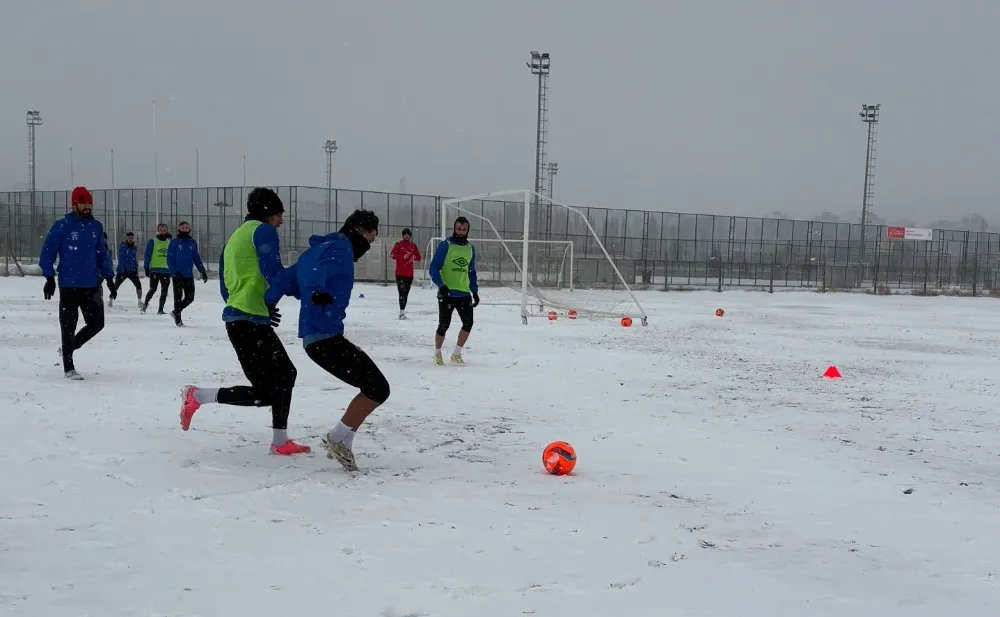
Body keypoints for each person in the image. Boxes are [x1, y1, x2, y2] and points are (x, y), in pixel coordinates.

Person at [177, 188, 310, 456]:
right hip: (249, 322)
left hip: (240, 319)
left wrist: (259, 307)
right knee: (282, 378)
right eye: (279, 215)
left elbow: (226, 288)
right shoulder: (263, 232)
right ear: (268, 214)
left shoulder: (234, 239)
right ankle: (278, 440)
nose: (280, 222)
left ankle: (199, 396)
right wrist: (303, 285)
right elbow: (274, 273)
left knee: (269, 389)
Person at [266, 209, 389, 471]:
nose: (370, 244)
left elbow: (286, 279)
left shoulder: (318, 249)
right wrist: (316, 291)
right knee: (378, 388)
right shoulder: (340, 248)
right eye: (371, 237)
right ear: (358, 231)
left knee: (373, 386)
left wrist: (269, 302)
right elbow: (313, 275)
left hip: (320, 339)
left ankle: (344, 440)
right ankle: (337, 438)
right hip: (324, 339)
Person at [39, 186, 116, 380]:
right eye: (83, 202)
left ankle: (71, 346)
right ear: (74, 204)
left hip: (91, 284)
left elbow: (101, 254)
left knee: (97, 323)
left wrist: (109, 277)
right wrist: (49, 277)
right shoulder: (62, 226)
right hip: (69, 284)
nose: (87, 206)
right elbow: (47, 252)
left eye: (89, 202)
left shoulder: (96, 227)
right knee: (68, 325)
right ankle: (69, 366)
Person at [429, 216, 479, 365]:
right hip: (447, 293)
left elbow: (471, 271)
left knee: (468, 323)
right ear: (454, 228)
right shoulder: (446, 245)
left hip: (464, 293)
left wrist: (474, 291)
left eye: (464, 229)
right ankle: (437, 353)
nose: (461, 232)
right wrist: (441, 285)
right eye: (459, 229)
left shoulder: (470, 249)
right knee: (444, 325)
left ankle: (456, 353)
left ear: (467, 230)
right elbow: (433, 268)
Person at [166, 221, 208, 326]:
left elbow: (196, 258)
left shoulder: (192, 242)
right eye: (182, 227)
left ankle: (176, 311)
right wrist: (174, 271)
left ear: (189, 229)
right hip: (177, 275)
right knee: (178, 297)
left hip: (188, 274)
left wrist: (202, 270)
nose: (185, 229)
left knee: (190, 297)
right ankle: (178, 320)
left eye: (186, 227)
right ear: (179, 229)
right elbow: (169, 259)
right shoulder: (174, 242)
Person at [389, 227, 421, 320]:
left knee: (406, 293)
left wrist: (413, 257)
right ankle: (401, 312)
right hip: (400, 273)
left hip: (409, 274)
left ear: (410, 236)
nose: (406, 236)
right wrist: (403, 256)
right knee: (401, 292)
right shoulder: (398, 244)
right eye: (405, 235)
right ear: (403, 236)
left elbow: (418, 257)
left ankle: (403, 311)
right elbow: (392, 255)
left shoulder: (413, 246)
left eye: (408, 235)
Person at [142, 223, 172, 315]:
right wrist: (146, 267)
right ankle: (144, 306)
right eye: (161, 230)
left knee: (164, 290)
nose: (163, 231)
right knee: (153, 289)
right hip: (155, 269)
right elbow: (147, 255)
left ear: (167, 231)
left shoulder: (170, 242)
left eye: (164, 230)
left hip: (166, 270)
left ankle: (160, 310)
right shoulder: (153, 241)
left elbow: (173, 256)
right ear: (158, 230)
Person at [111, 232, 143, 309]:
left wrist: (136, 269)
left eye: (132, 238)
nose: (130, 239)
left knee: (138, 285)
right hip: (123, 271)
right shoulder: (123, 247)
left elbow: (135, 259)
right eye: (129, 238)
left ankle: (139, 301)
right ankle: (110, 299)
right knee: (116, 286)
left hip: (132, 271)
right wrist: (121, 270)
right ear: (126, 238)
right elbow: (121, 259)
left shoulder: (135, 248)